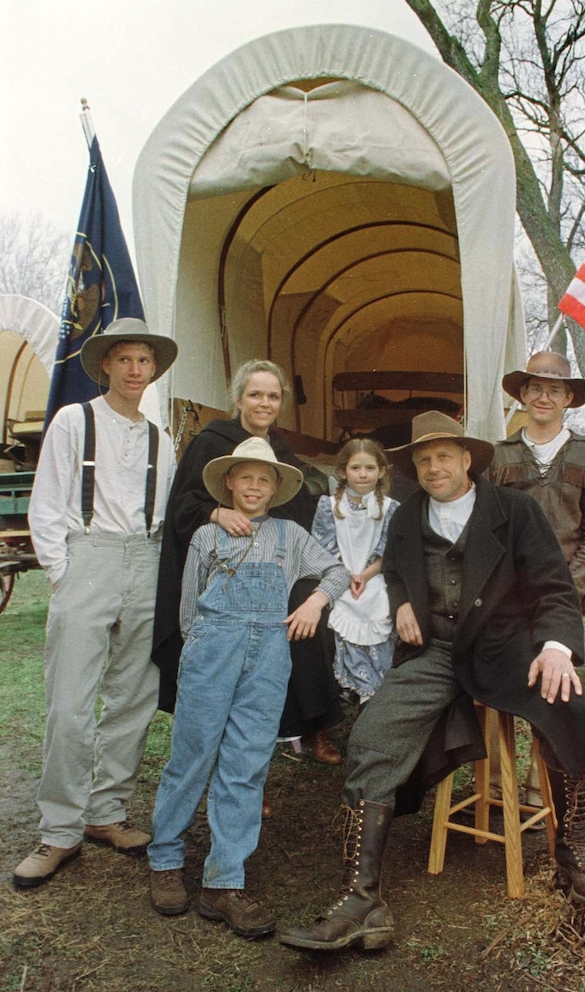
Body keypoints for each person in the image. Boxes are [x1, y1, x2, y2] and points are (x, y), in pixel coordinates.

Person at [279, 410, 585, 954]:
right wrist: (405, 599)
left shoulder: (515, 510)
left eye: (443, 456)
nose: (434, 467)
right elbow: (393, 567)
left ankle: (572, 852)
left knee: (569, 707)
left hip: (509, 648)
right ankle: (362, 899)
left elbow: (554, 584)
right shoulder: (409, 512)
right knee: (372, 737)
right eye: (423, 459)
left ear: (467, 460)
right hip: (435, 651)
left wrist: (556, 647)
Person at [147, 438, 349, 937]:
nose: (254, 486)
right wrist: (203, 651)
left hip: (269, 658)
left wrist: (313, 603)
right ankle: (166, 861)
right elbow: (188, 609)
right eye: (246, 477)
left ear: (276, 487)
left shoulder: (290, 534)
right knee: (191, 756)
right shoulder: (205, 536)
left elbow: (338, 570)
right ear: (229, 483)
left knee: (247, 762)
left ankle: (224, 880)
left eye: (264, 479)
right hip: (212, 650)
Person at [13, 318, 178, 889]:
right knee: (70, 700)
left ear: (154, 369)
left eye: (144, 361)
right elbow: (47, 500)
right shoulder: (72, 421)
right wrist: (63, 572)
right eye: (125, 360)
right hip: (88, 557)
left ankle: (106, 813)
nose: (135, 370)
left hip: (147, 558)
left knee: (133, 695)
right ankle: (58, 829)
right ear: (105, 364)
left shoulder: (162, 437)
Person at [151, 360, 344, 784]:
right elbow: (183, 505)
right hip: (227, 566)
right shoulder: (213, 442)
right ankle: (239, 763)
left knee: (305, 612)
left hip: (277, 564)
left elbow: (297, 506)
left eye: (273, 396)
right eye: (255, 394)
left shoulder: (281, 450)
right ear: (238, 399)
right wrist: (216, 512)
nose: (264, 403)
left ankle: (314, 721)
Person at [487, 350, 585, 808]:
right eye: (536, 388)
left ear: (568, 399)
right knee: (501, 682)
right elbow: (484, 526)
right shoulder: (498, 457)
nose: (544, 396)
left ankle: (541, 781)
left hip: (564, 595)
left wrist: (564, 588)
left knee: (555, 685)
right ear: (522, 395)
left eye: (554, 389)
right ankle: (497, 778)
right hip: (504, 594)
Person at [311, 438, 399, 705]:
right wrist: (345, 575)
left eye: (370, 468)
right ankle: (352, 685)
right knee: (343, 608)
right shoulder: (330, 505)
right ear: (342, 472)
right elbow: (322, 545)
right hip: (338, 574)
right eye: (356, 468)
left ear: (382, 471)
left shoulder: (390, 507)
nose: (363, 474)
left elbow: (388, 550)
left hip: (373, 575)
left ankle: (377, 688)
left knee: (378, 603)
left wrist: (366, 574)